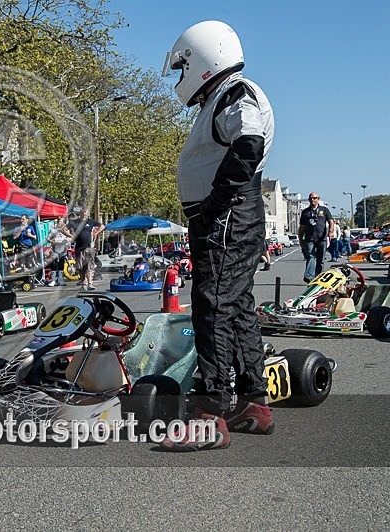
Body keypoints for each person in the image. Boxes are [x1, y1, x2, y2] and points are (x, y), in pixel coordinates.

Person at [162, 20, 275, 451]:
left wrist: (215, 203)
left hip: (228, 214)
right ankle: (253, 402)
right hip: (231, 213)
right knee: (237, 305)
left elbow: (248, 141)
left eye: (181, 68)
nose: (179, 79)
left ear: (203, 59)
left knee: (211, 307)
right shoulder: (223, 97)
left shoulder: (235, 93)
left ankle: (210, 411)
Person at [299, 192, 334, 282]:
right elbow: (302, 227)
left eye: (314, 198)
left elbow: (331, 221)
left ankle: (319, 277)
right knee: (310, 256)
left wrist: (331, 231)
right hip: (309, 239)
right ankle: (309, 276)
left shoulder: (324, 210)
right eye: (310, 198)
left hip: (322, 239)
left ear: (318, 199)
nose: (312, 200)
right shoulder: (305, 212)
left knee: (320, 259)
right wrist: (300, 240)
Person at [68, 207, 103, 290]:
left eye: (86, 214)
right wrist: (70, 236)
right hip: (79, 248)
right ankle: (84, 283)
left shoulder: (90, 222)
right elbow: (63, 229)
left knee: (89, 266)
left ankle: (90, 283)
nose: (84, 216)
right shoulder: (74, 222)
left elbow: (102, 226)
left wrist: (96, 233)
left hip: (89, 247)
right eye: (82, 214)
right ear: (79, 214)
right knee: (80, 268)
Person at [46, 216, 71, 286]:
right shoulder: (53, 230)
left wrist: (67, 241)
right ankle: (53, 280)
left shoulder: (66, 230)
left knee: (61, 265)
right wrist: (51, 241)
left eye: (60, 220)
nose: (59, 221)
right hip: (55, 250)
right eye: (58, 220)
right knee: (54, 264)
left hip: (63, 250)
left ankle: (60, 280)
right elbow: (47, 238)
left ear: (63, 221)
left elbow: (70, 238)